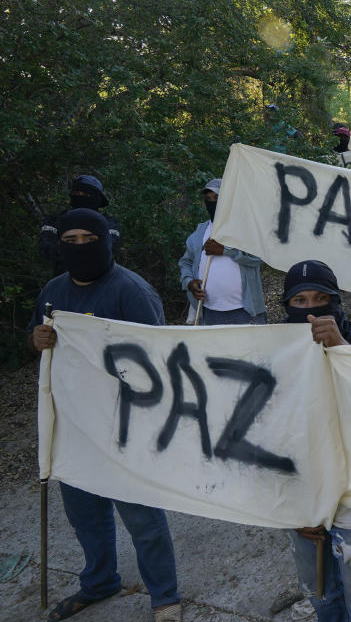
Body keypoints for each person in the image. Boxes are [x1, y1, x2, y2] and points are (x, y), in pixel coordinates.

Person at [28, 208, 182, 622]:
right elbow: (36, 341)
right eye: (71, 240)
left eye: (88, 239)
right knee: (86, 517)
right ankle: (99, 582)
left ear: (106, 240)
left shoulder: (132, 291)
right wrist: (38, 339)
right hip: (72, 425)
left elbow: (159, 358)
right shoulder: (53, 291)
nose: (80, 247)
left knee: (142, 518)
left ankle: (164, 596)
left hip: (124, 428)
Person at [281, 260, 351, 622]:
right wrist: (297, 506)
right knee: (322, 597)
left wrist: (341, 350)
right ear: (287, 307)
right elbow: (271, 433)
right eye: (300, 301)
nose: (311, 308)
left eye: (320, 298)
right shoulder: (276, 356)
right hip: (303, 503)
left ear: (336, 302)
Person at [178, 179, 266, 325]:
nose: (211, 202)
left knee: (250, 349)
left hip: (245, 311)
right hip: (209, 312)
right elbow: (185, 261)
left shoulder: (245, 229)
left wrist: (225, 250)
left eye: (217, 198)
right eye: (208, 199)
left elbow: (259, 258)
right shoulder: (200, 232)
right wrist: (189, 282)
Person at [40, 175, 121, 277]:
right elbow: (47, 249)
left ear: (96, 197)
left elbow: (108, 248)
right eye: (76, 193)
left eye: (85, 194)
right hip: (65, 282)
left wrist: (66, 247)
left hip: (101, 283)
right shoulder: (54, 220)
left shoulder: (109, 222)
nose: (79, 196)